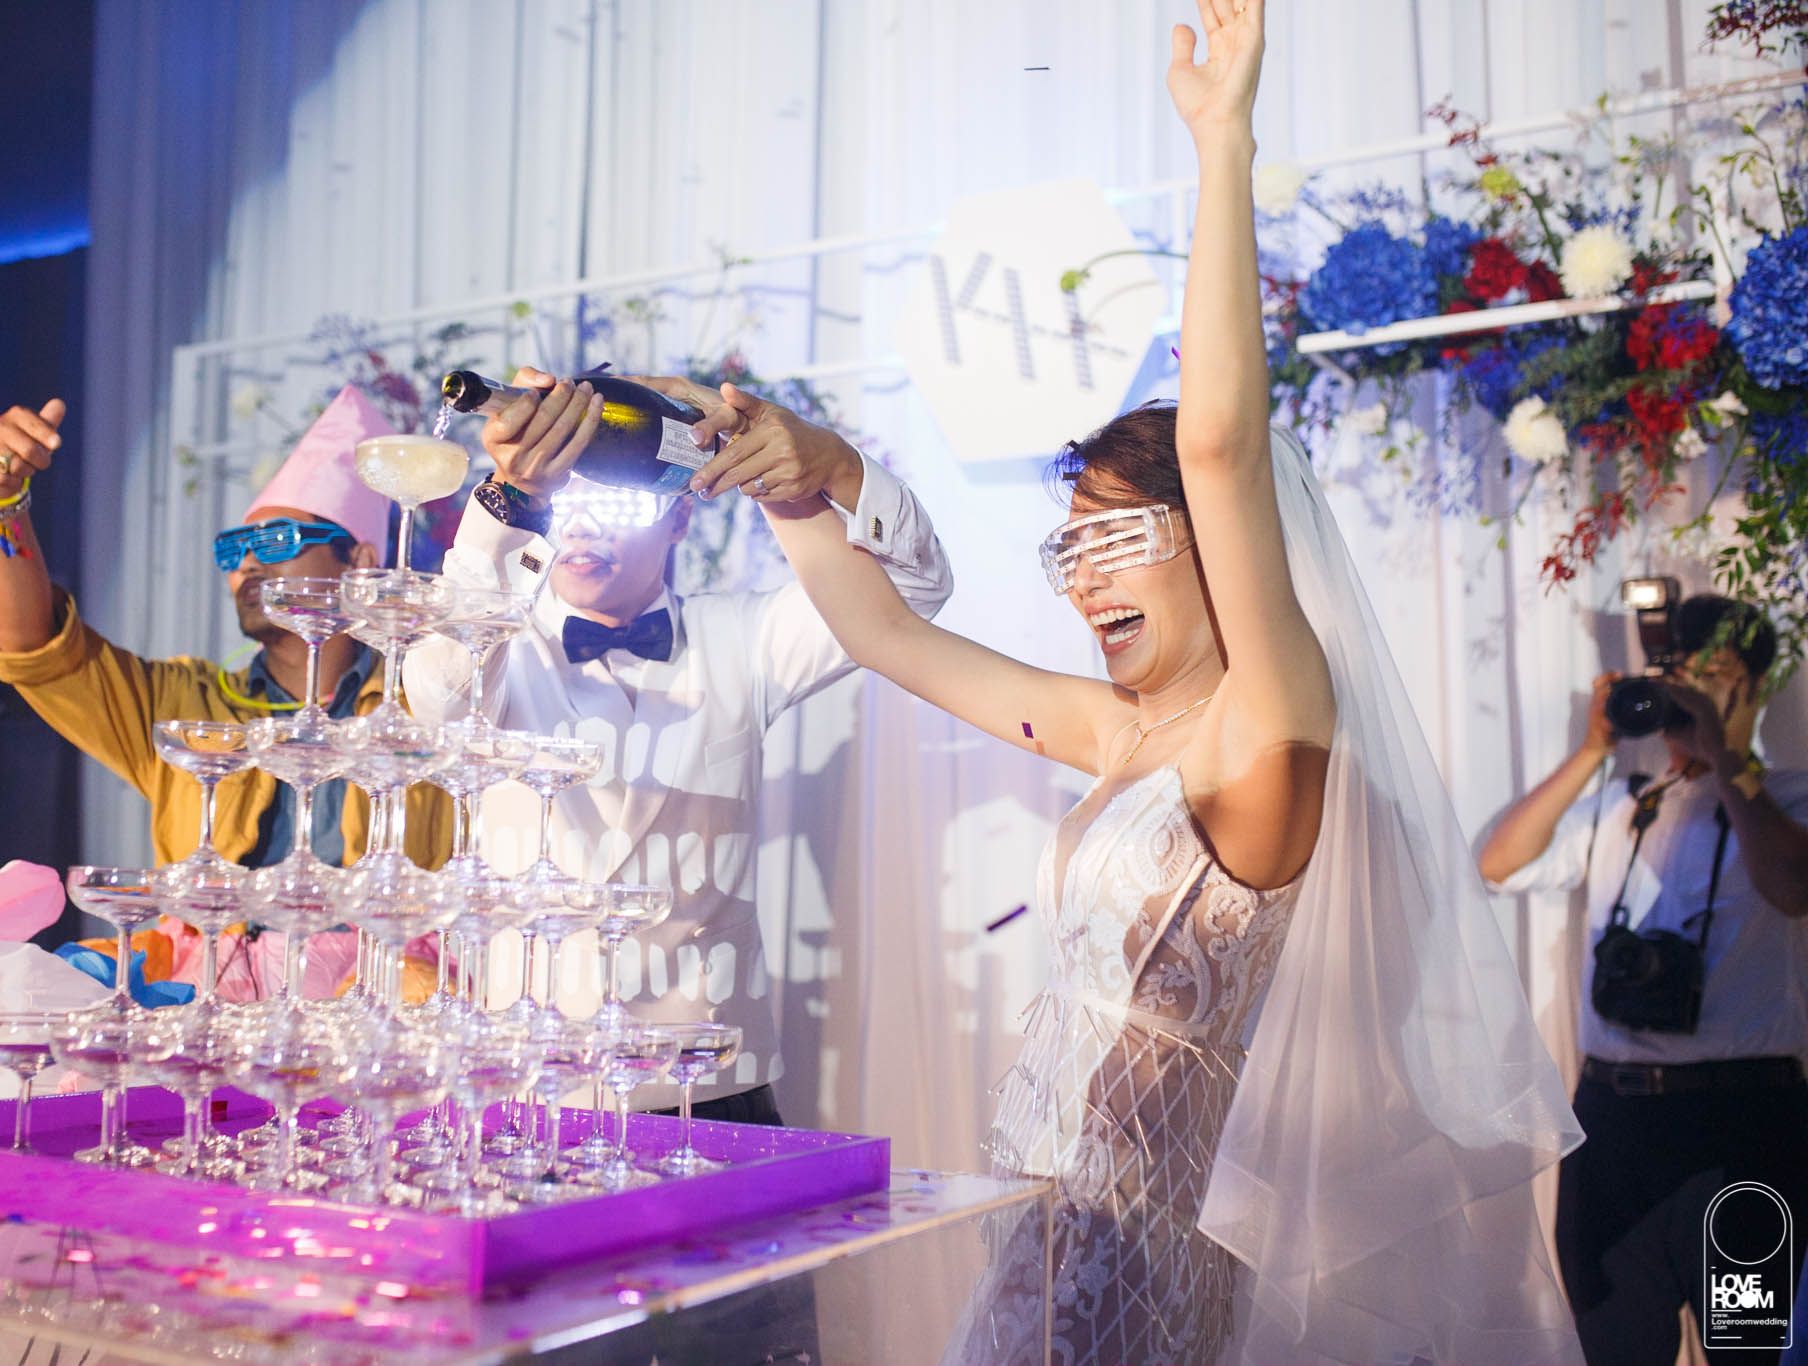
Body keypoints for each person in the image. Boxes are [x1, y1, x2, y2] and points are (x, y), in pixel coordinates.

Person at [713, 2, 1584, 1362]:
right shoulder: (1124, 733)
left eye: (1119, 538)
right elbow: (884, 637)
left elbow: (1223, 445)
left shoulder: (1265, 727)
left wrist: (1221, 139)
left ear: (1212, 545)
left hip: (1137, 1254)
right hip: (1047, 1232)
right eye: (1071, 547)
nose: (1082, 579)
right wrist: (801, 485)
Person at [402, 373, 953, 1128]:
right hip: (528, 1085)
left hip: (717, 1084)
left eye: (618, 508)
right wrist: (512, 504)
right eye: (569, 506)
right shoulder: (501, 639)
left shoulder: (744, 638)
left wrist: (834, 466)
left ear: (679, 518)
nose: (585, 532)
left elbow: (915, 591)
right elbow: (439, 698)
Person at [0, 385, 451, 992]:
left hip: (377, 1002)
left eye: (274, 542)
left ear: (359, 563)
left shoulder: (427, 704)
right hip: (203, 1006)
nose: (247, 564)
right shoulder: (188, 708)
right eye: (234, 549)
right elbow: (31, 647)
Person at [1480, 595, 1808, 1366]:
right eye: (1676, 676)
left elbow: (1793, 886)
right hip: (1614, 1129)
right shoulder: (1622, 805)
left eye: (1711, 676)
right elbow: (1499, 861)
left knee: (1752, 1350)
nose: (1687, 694)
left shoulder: (1789, 798)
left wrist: (1729, 758)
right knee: (1615, 1347)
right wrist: (1593, 749)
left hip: (1743, 1130)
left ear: (1754, 687)